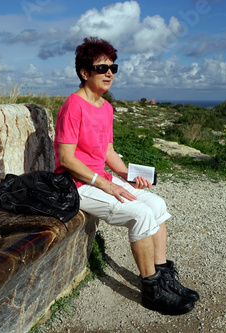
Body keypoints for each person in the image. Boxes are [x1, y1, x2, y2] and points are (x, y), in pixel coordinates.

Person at [54, 36, 199, 315]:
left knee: (157, 205)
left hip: (101, 178)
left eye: (113, 68)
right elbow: (66, 159)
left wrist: (126, 176)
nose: (109, 73)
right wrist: (108, 185)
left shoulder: (105, 107)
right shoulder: (73, 106)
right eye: (101, 68)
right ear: (85, 73)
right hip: (77, 183)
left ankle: (163, 276)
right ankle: (151, 290)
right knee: (139, 214)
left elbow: (107, 150)